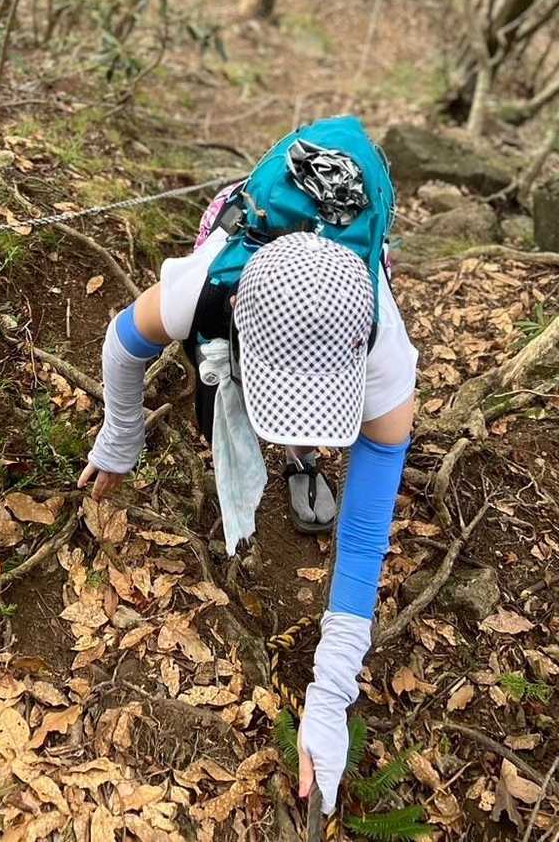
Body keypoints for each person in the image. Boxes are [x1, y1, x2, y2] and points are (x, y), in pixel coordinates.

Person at [78, 131, 417, 816]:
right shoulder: (203, 287)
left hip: (344, 249)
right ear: (237, 324)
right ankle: (280, 419)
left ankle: (301, 459)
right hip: (246, 252)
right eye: (284, 404)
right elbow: (122, 344)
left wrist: (330, 696)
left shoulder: (385, 358)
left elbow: (362, 536)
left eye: (321, 404)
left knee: (306, 439)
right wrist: (119, 438)